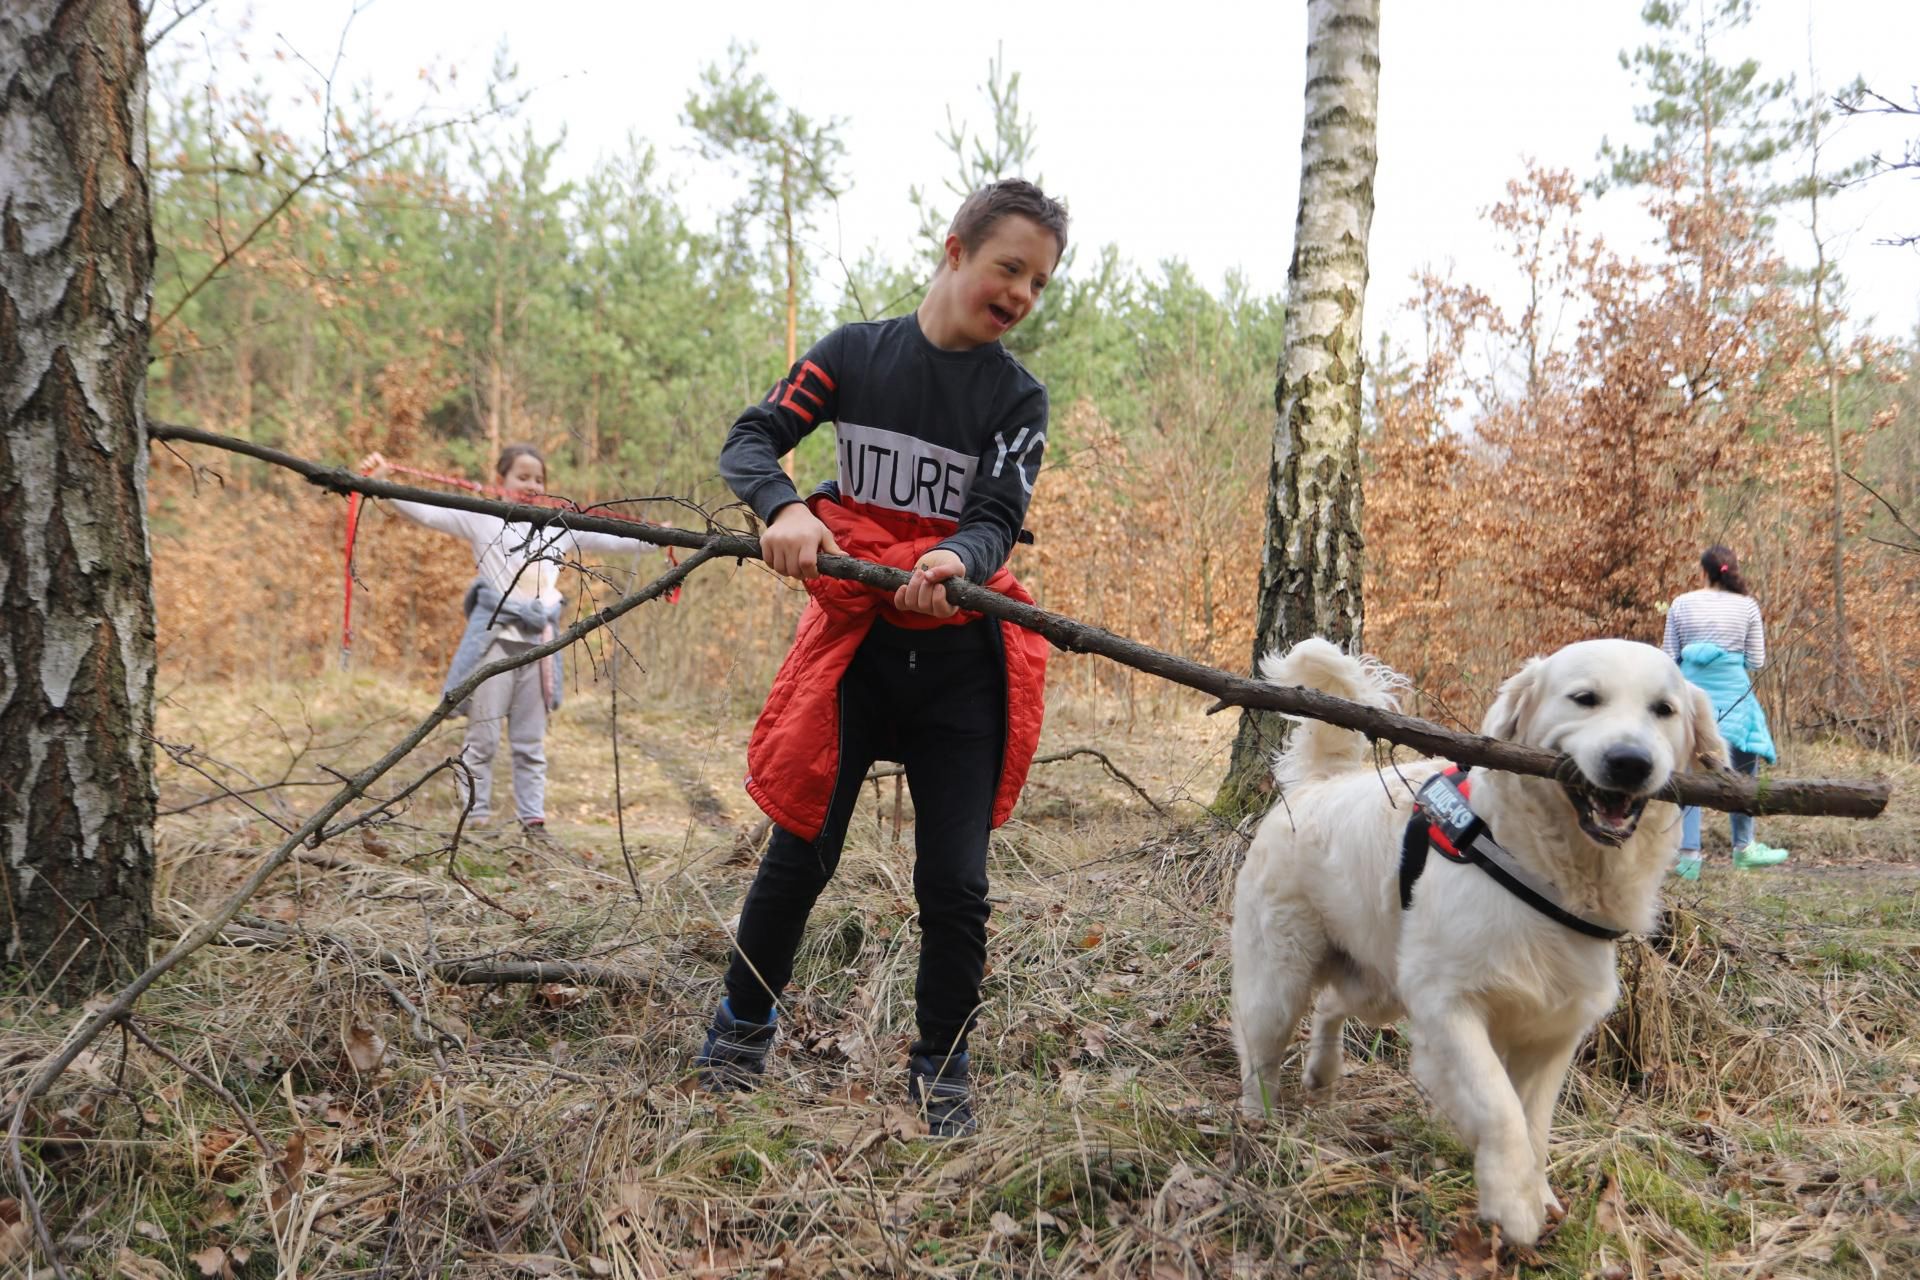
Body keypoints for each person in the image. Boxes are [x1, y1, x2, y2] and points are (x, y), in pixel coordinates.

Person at [694, 179, 1068, 1137]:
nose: (1022, 293)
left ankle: (941, 1067)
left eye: (1039, 282)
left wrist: (960, 558)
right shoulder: (854, 355)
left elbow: (995, 517)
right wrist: (783, 508)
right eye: (1009, 267)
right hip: (856, 652)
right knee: (799, 855)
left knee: (955, 885)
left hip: (960, 670)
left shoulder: (1017, 396)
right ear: (955, 251)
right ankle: (741, 1025)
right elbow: (752, 437)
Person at [358, 444, 658, 849]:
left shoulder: (557, 525)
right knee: (482, 740)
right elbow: (425, 510)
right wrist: (382, 486)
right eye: (522, 477)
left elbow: (613, 536)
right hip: (494, 641)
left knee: (530, 742)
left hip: (540, 644)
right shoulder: (482, 517)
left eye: (539, 479)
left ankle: (533, 822)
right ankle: (474, 820)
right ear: (501, 481)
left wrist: (659, 537)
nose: (532, 485)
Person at [1662, 545, 1788, 878]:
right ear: (1731, 570)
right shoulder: (1747, 606)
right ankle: (1744, 848)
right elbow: (1756, 660)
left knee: (1690, 772)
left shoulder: (1681, 603)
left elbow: (1668, 656)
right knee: (1745, 770)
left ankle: (1689, 856)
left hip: (1692, 695)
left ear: (1702, 571)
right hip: (1734, 693)